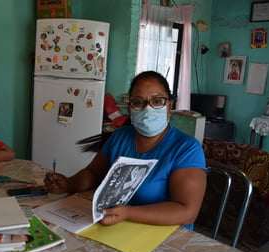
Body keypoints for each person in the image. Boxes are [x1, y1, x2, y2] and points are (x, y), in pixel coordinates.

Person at [44, 71, 206, 229]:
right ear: (130, 108)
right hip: (118, 226)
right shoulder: (120, 136)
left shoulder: (187, 149)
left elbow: (187, 212)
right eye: (139, 102)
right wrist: (68, 184)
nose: (148, 108)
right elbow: (93, 174)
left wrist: (128, 213)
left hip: (164, 236)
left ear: (169, 106)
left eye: (157, 101)